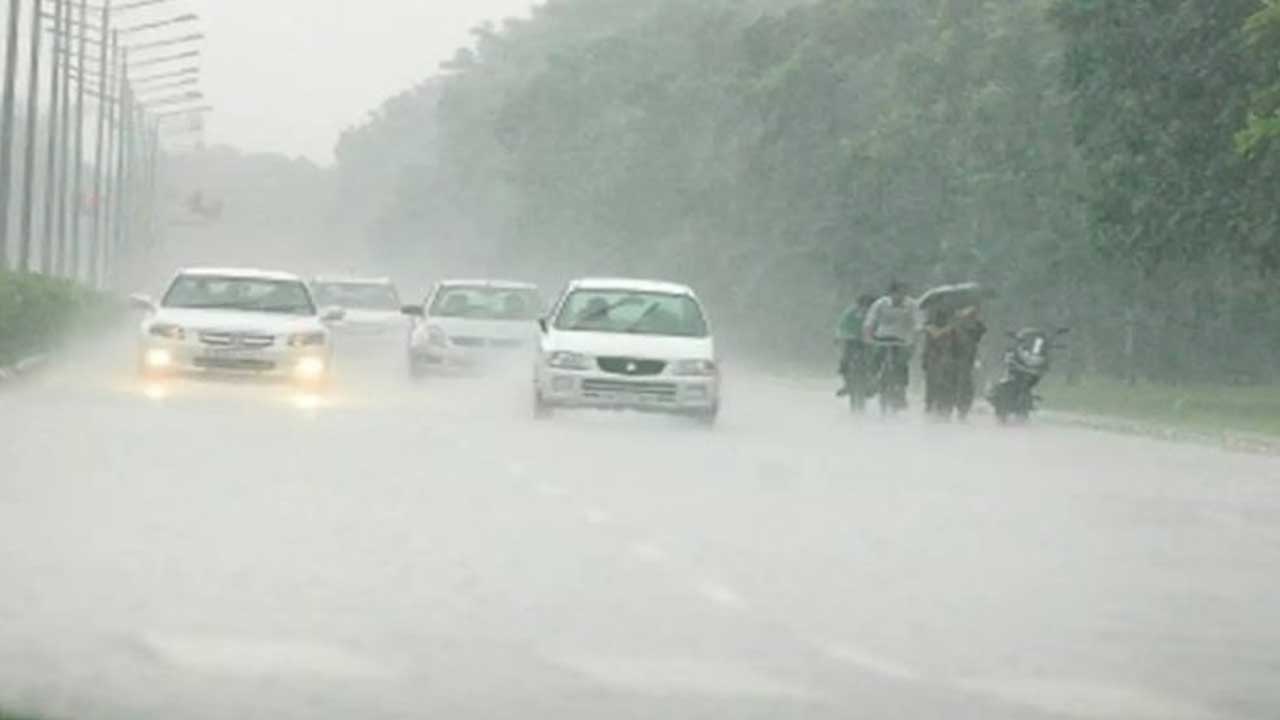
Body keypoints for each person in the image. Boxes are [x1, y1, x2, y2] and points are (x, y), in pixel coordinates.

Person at [863, 280, 921, 407]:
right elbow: (869, 321)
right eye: (897, 293)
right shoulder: (880, 303)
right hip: (881, 338)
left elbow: (918, 325)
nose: (899, 296)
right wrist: (868, 337)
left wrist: (914, 342)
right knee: (875, 361)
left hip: (902, 340)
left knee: (901, 365)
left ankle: (901, 393)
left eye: (902, 293)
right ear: (890, 293)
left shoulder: (912, 305)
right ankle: (870, 384)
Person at [835, 293, 877, 398]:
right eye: (863, 305)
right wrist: (840, 337)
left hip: (870, 342)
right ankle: (847, 384)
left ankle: (873, 383)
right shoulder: (850, 313)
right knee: (845, 359)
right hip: (852, 341)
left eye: (868, 306)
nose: (865, 309)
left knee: (876, 361)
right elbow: (841, 326)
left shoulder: (876, 315)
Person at [950, 304, 987, 420]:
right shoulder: (956, 328)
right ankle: (957, 407)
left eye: (973, 316)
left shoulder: (975, 329)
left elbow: (982, 330)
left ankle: (963, 409)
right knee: (958, 384)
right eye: (969, 316)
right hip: (956, 361)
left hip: (968, 361)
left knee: (966, 385)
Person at [922, 305, 958, 418]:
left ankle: (934, 405)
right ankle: (935, 405)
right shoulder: (950, 330)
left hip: (940, 360)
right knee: (936, 384)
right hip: (939, 360)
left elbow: (927, 346)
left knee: (935, 384)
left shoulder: (933, 330)